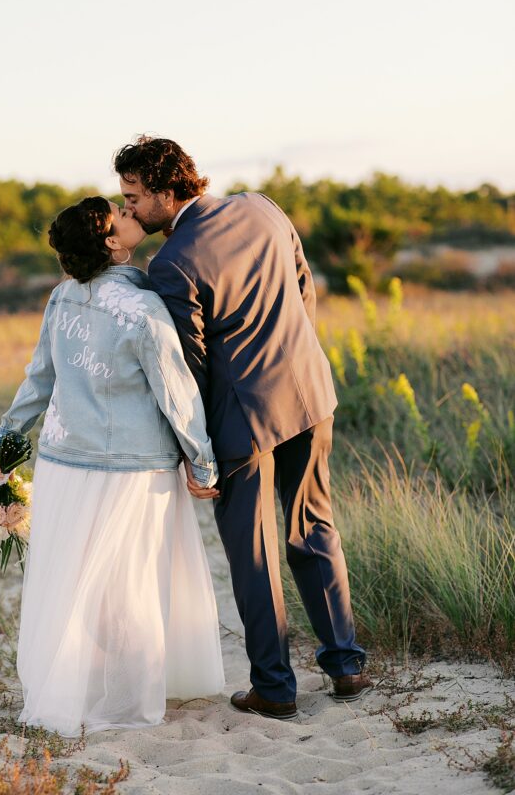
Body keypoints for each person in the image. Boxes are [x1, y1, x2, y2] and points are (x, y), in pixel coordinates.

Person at [114, 136, 372, 721]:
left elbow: (190, 366)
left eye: (133, 197)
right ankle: (346, 665)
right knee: (314, 526)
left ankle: (275, 689)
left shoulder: (172, 262)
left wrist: (194, 451)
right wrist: (295, 352)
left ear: (164, 189)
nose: (127, 209)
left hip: (244, 419)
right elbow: (305, 286)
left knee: (253, 556)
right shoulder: (263, 206)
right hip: (310, 394)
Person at [0, 196, 225, 737]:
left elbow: (38, 378)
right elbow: (175, 391)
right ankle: (125, 702)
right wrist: (203, 461)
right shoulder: (142, 310)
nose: (127, 211)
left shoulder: (61, 297)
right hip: (132, 469)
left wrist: (5, 439)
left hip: (64, 463)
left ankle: (81, 685)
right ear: (112, 243)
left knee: (73, 579)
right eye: (118, 214)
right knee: (132, 582)